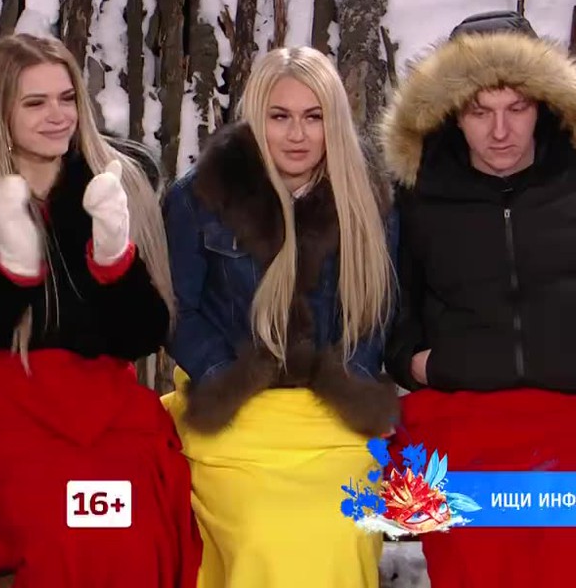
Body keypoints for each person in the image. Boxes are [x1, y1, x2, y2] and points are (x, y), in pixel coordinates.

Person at [379, 10, 576, 588]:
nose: (500, 131)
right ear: (450, 112)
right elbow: (389, 293)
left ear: (546, 103)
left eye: (517, 108)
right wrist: (415, 362)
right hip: (457, 420)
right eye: (479, 112)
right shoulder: (419, 185)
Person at [0, 34, 202, 587]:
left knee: (133, 522)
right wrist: (11, 276)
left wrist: (114, 262)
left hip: (104, 408)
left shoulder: (113, 182)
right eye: (35, 102)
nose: (58, 115)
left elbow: (144, 334)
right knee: (73, 528)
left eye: (67, 98)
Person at [159, 45, 399, 588]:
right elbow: (177, 309)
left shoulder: (369, 197)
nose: (297, 135)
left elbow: (380, 310)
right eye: (280, 116)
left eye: (314, 117)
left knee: (337, 530)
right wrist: (228, 379)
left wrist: (350, 384)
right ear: (254, 117)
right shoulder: (198, 197)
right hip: (235, 416)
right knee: (261, 534)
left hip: (334, 419)